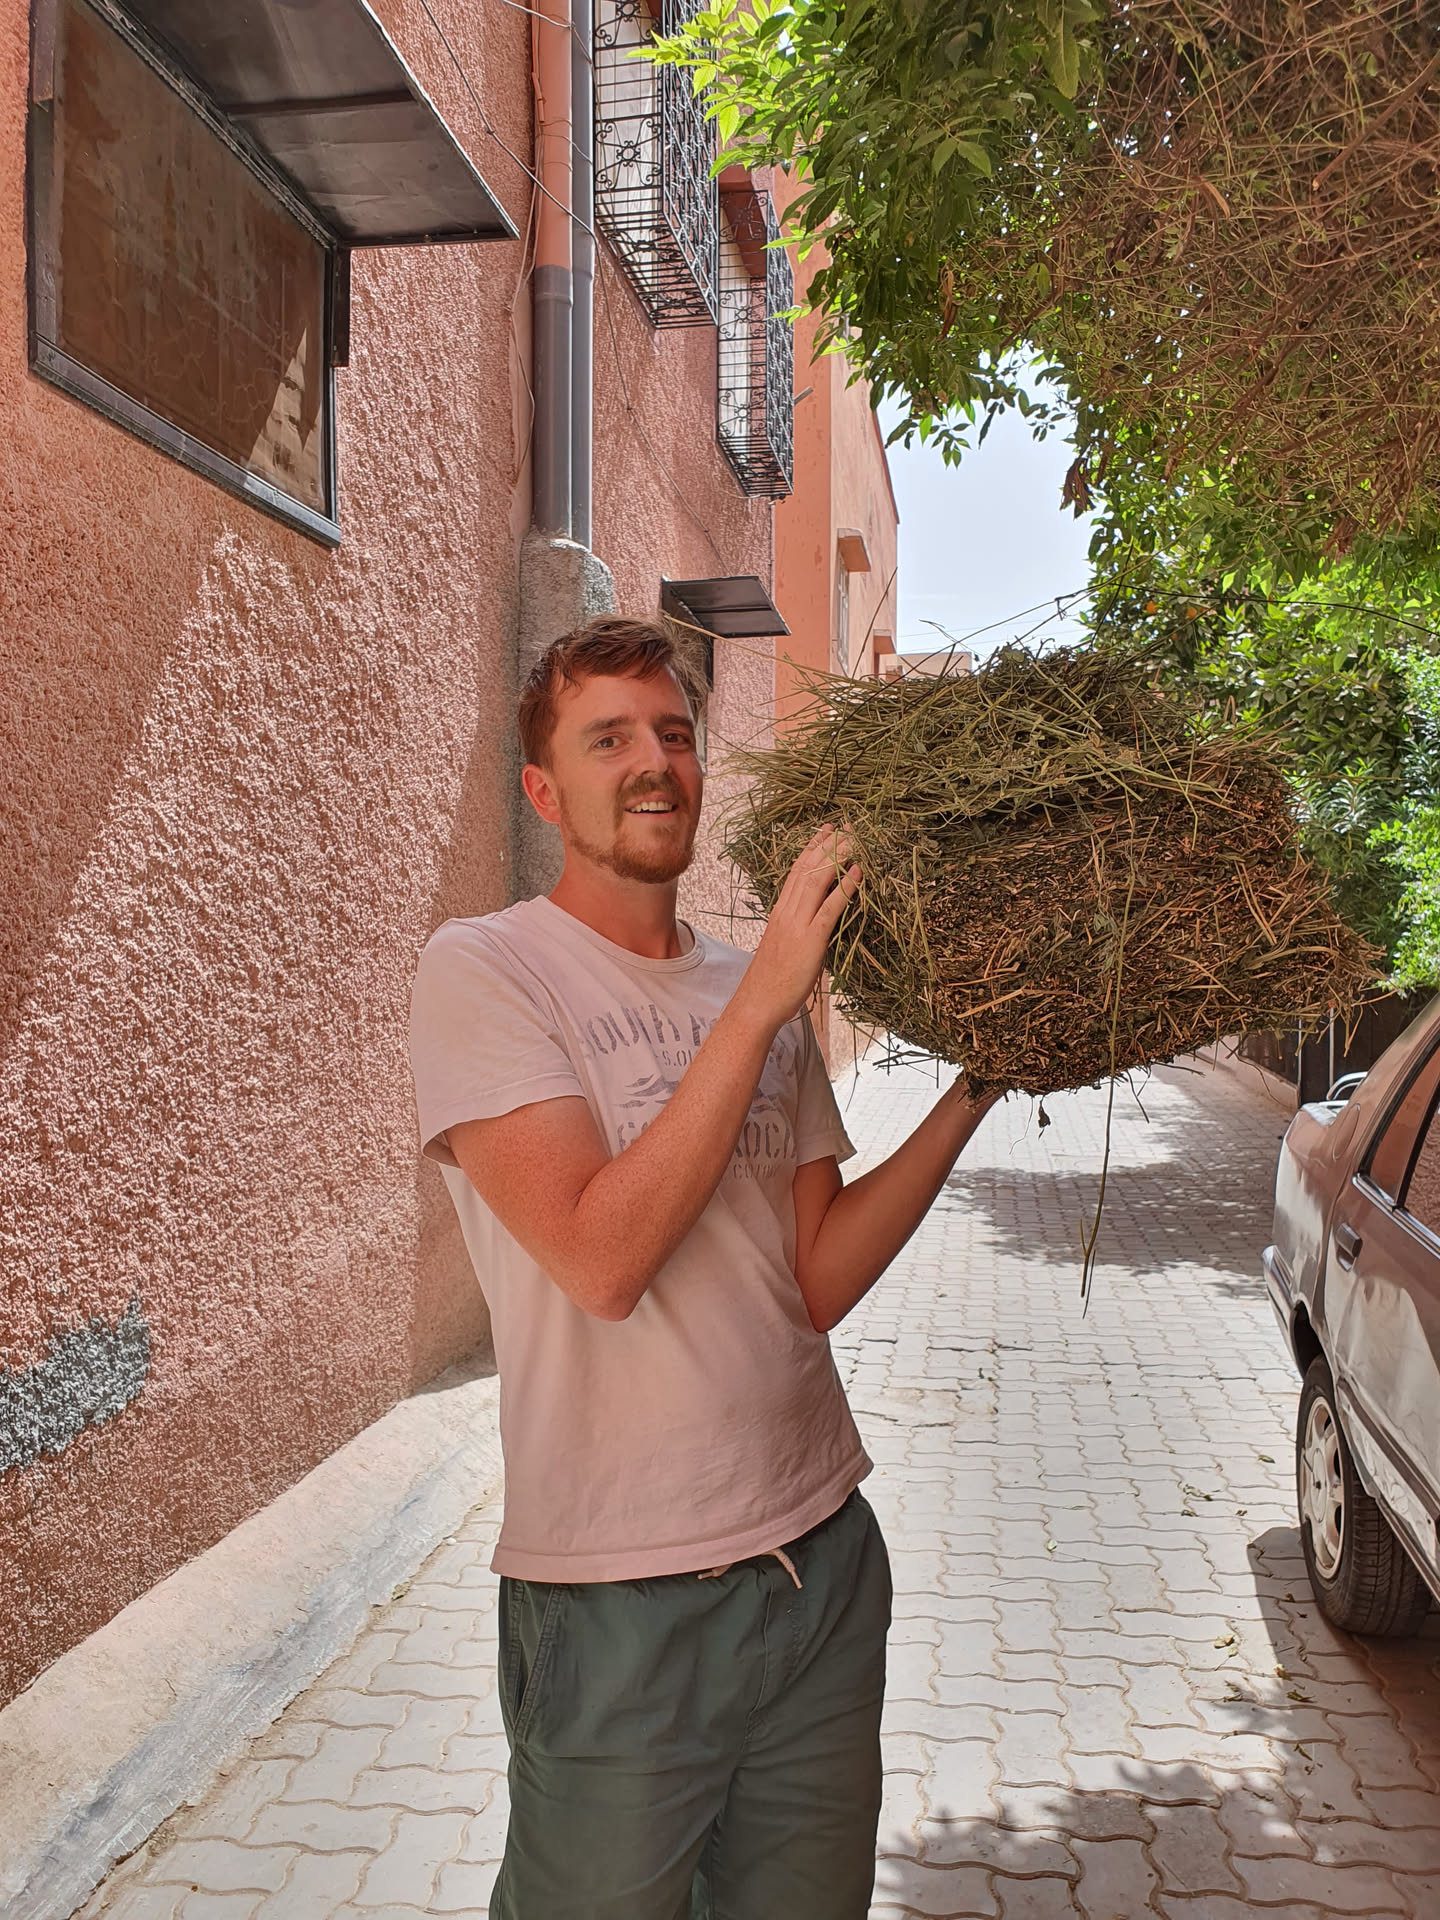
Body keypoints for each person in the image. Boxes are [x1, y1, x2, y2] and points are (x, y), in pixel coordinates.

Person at [408, 616, 996, 1919]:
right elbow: (599, 1258)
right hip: (619, 1603)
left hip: (821, 1560)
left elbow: (816, 1277)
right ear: (544, 790)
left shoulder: (757, 988)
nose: (653, 761)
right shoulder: (487, 969)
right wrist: (765, 999)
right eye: (608, 737)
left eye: (674, 733)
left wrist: (977, 1090)